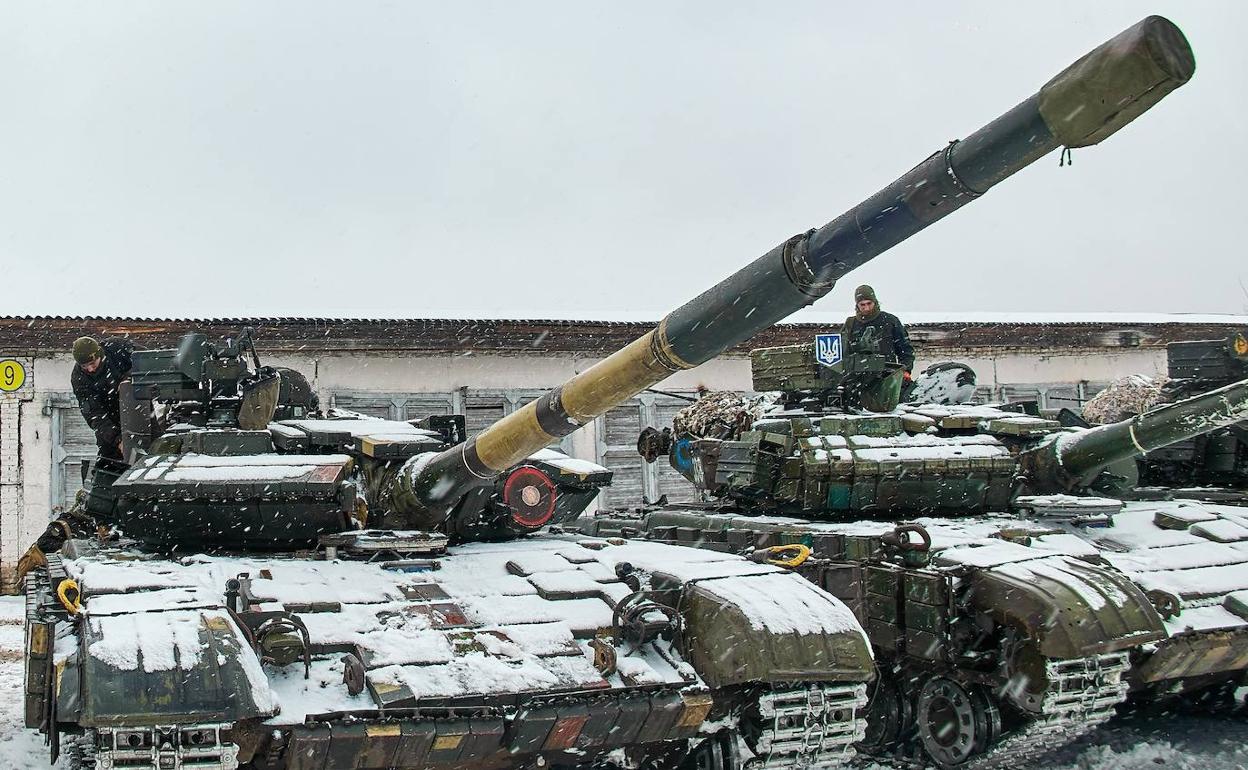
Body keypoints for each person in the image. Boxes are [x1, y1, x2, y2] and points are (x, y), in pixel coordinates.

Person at [70, 336, 134, 460]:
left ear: (100, 354)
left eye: (92, 363)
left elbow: (146, 360)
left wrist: (129, 378)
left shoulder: (117, 348)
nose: (90, 369)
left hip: (139, 411)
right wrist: (118, 440)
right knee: (108, 461)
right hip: (109, 422)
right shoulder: (79, 378)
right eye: (84, 366)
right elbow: (94, 415)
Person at [843, 284, 915, 376]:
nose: (866, 308)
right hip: (857, 377)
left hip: (887, 376)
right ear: (857, 305)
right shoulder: (850, 324)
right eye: (862, 305)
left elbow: (905, 349)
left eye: (869, 303)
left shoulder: (890, 321)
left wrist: (906, 370)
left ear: (875, 302)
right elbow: (842, 352)